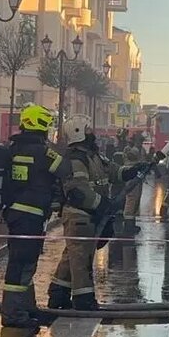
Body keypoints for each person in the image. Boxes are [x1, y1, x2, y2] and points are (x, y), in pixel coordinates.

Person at [0, 104, 70, 328]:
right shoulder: (44, 152)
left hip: (16, 214)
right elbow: (65, 169)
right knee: (21, 264)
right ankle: (13, 315)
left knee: (25, 263)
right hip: (32, 216)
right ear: (41, 125)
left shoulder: (13, 149)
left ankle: (27, 309)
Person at [48, 114, 122, 311]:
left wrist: (134, 170)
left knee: (73, 254)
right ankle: (83, 300)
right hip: (79, 215)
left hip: (89, 215)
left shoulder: (93, 155)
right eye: (88, 130)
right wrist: (103, 205)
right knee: (82, 259)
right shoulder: (76, 159)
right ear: (79, 133)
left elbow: (114, 172)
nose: (92, 134)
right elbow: (79, 192)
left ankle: (58, 293)